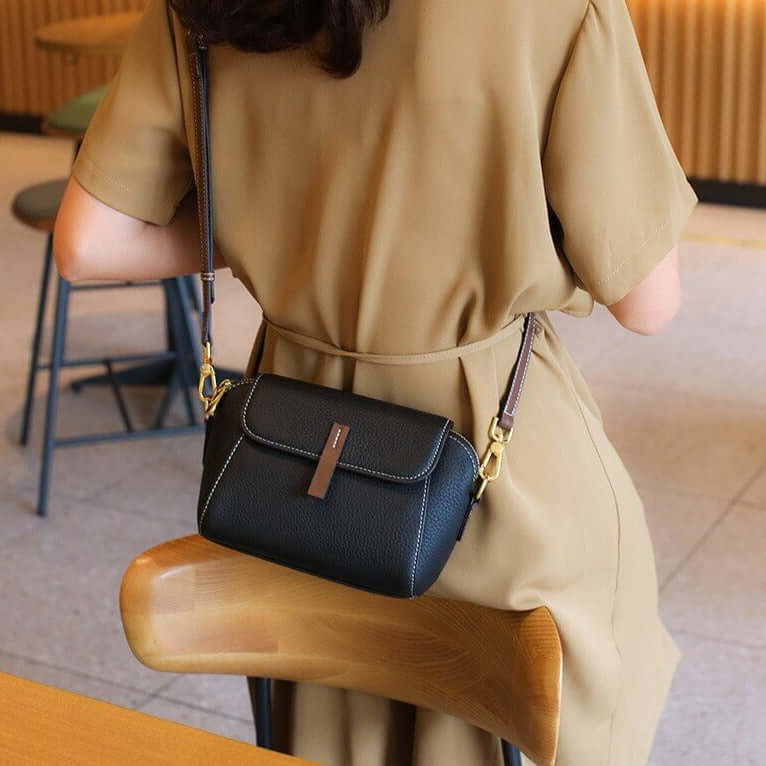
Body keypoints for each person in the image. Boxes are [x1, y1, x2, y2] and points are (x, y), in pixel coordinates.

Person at [54, 0, 697, 763]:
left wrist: (284, 231)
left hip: (296, 482)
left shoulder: (201, 7)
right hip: (501, 476)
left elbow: (89, 245)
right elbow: (649, 302)